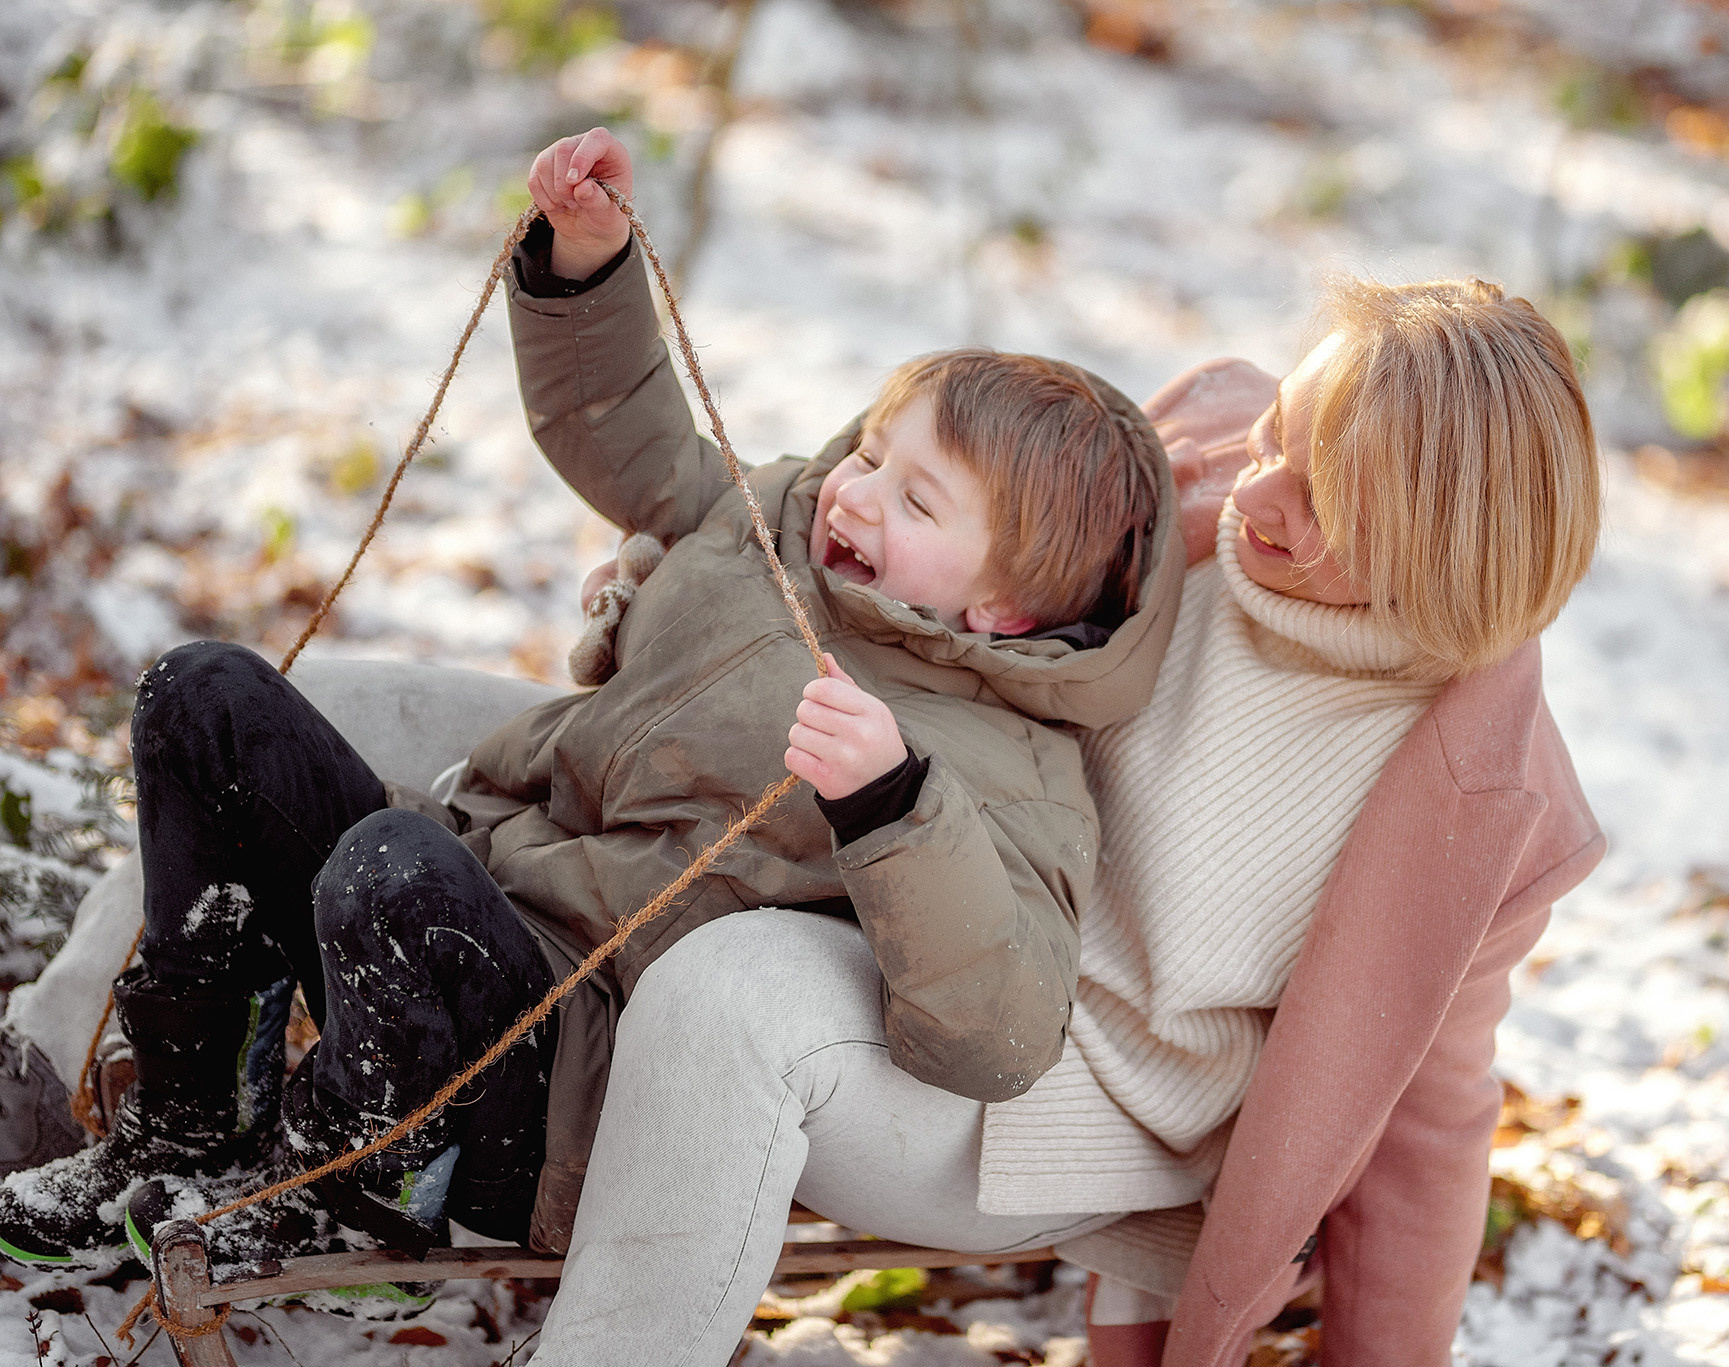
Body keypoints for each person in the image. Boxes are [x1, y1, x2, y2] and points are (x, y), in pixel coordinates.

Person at [0, 127, 1180, 1269]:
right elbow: (634, 440)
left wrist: (895, 805)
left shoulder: (996, 757)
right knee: (205, 695)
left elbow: (1000, 1027)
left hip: (550, 1073)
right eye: (870, 452)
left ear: (1007, 613)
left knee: (390, 865)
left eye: (917, 504)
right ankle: (184, 1125)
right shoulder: (769, 522)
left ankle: (342, 1186)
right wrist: (586, 260)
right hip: (443, 916)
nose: (857, 496)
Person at [517, 269, 1605, 1363]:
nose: (1258, 494)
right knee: (461, 736)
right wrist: (697, 599)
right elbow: (944, 534)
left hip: (1038, 1093)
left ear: (1450, 550)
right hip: (872, 886)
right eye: (1279, 438)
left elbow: (1421, 1127)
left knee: (728, 992)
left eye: (1328, 504)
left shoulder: (1481, 797)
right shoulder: (1197, 472)